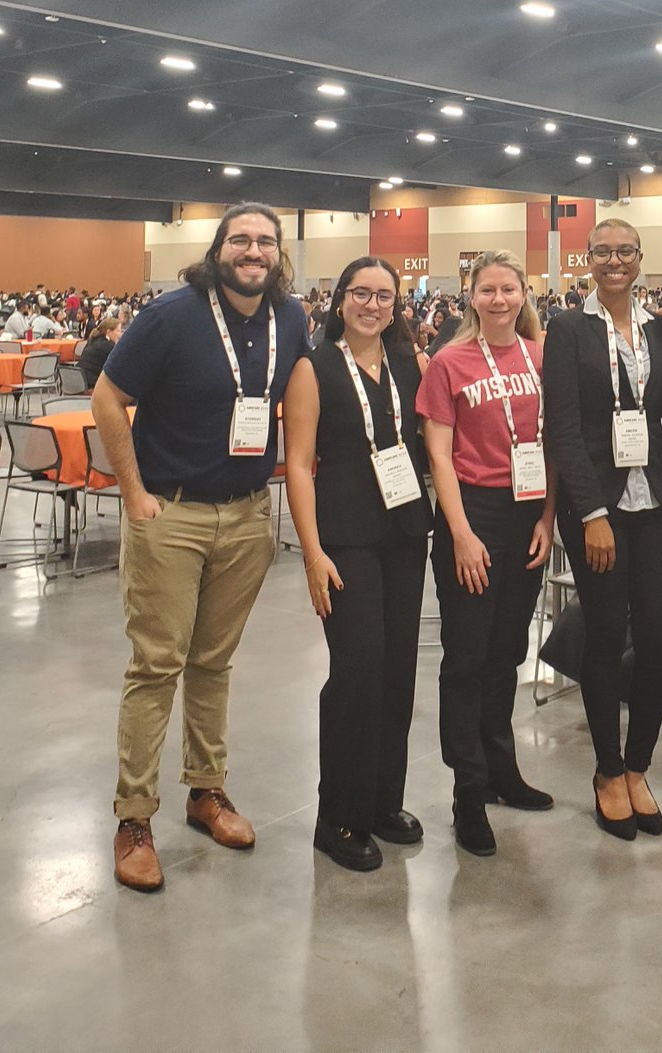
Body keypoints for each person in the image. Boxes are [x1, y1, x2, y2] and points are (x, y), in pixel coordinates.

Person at [92, 202, 309, 893]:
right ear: (218, 249)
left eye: (265, 241)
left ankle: (205, 791)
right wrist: (133, 494)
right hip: (173, 513)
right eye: (241, 239)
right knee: (157, 665)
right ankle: (133, 818)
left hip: (247, 515)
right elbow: (106, 395)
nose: (254, 250)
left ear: (278, 253)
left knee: (213, 662)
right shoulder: (172, 315)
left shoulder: (291, 319)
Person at [284, 257, 432, 872]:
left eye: (384, 296)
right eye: (360, 294)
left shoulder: (411, 361)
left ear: (396, 305)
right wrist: (312, 552)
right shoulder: (312, 369)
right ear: (340, 300)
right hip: (344, 538)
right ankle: (338, 816)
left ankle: (381, 802)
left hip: (404, 531)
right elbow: (297, 464)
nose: (372, 305)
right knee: (358, 670)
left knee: (398, 671)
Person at [542, 219, 662, 841]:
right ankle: (604, 769)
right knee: (605, 634)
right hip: (597, 506)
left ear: (640, 259)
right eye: (604, 252)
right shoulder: (568, 329)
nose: (615, 262)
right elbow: (563, 428)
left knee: (655, 639)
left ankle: (638, 765)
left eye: (626, 252)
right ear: (588, 260)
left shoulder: (661, 328)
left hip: (656, 502)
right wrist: (592, 512)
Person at [417, 250, 554, 857]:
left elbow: (554, 441)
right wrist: (461, 532)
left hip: (529, 513)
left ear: (525, 294)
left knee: (509, 650)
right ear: (470, 297)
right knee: (468, 655)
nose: (499, 299)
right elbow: (439, 456)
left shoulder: (541, 357)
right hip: (471, 514)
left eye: (509, 289)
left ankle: (502, 769)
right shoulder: (449, 363)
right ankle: (467, 789)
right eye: (487, 290)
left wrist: (548, 517)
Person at [77, 315, 122, 389]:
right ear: (108, 332)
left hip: (81, 380)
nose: (120, 334)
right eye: (118, 331)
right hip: (93, 384)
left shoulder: (92, 341)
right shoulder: (108, 346)